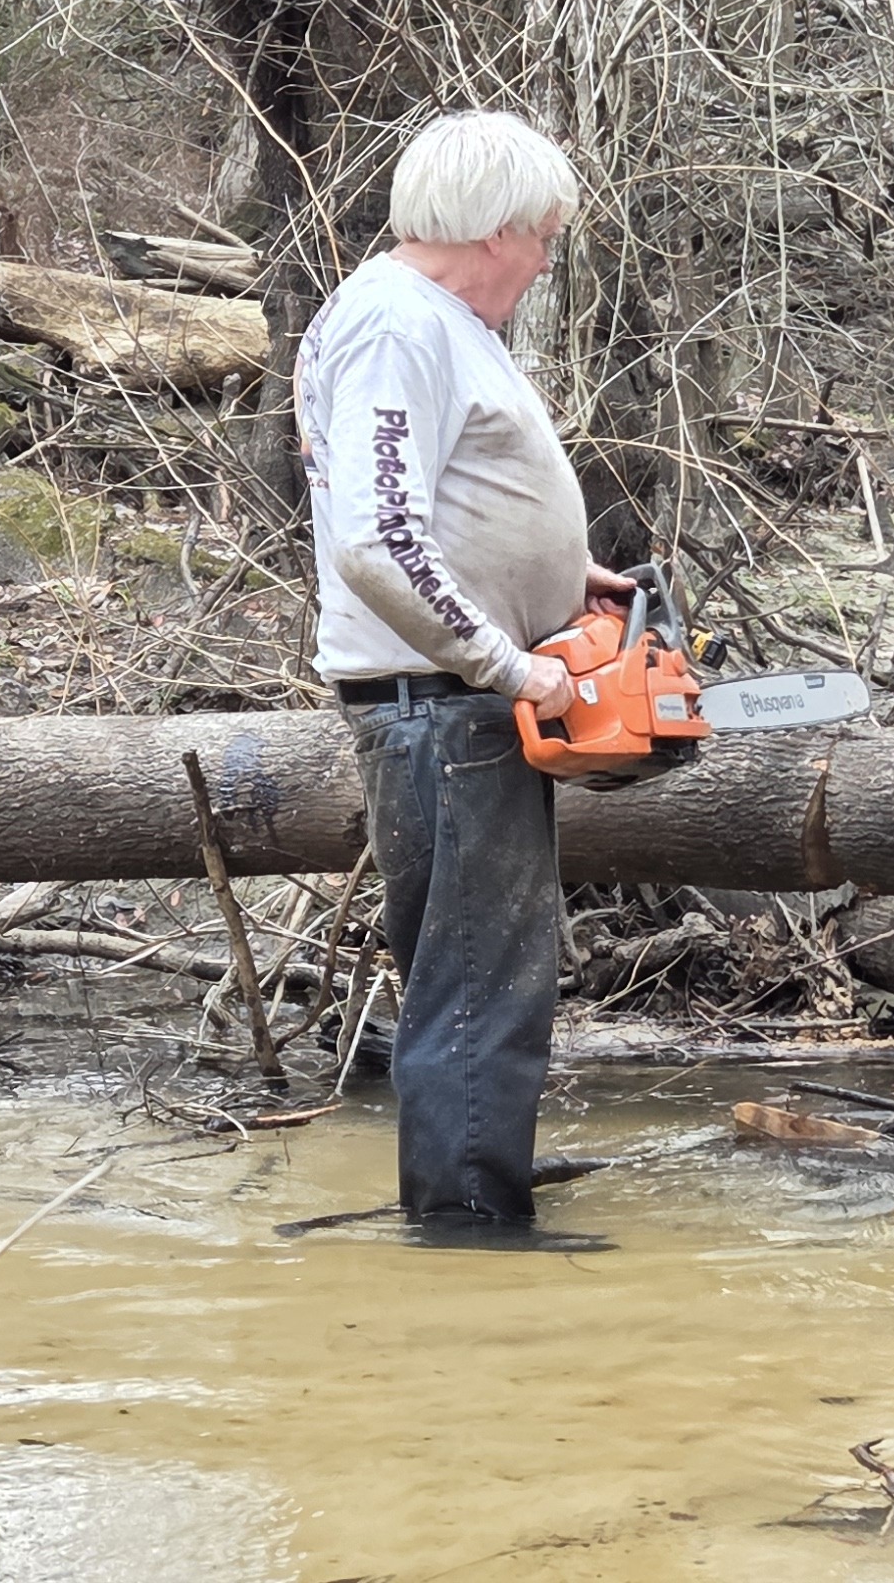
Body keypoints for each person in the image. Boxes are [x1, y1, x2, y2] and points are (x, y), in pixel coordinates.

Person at [296, 111, 627, 1238]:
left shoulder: (429, 323)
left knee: (483, 976)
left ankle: (471, 1204)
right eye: (540, 237)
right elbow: (377, 539)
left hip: (459, 702)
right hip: (446, 706)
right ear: (491, 230)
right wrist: (508, 665)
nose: (543, 261)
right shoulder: (399, 325)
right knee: (480, 984)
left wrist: (560, 569)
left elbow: (435, 499)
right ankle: (470, 1237)